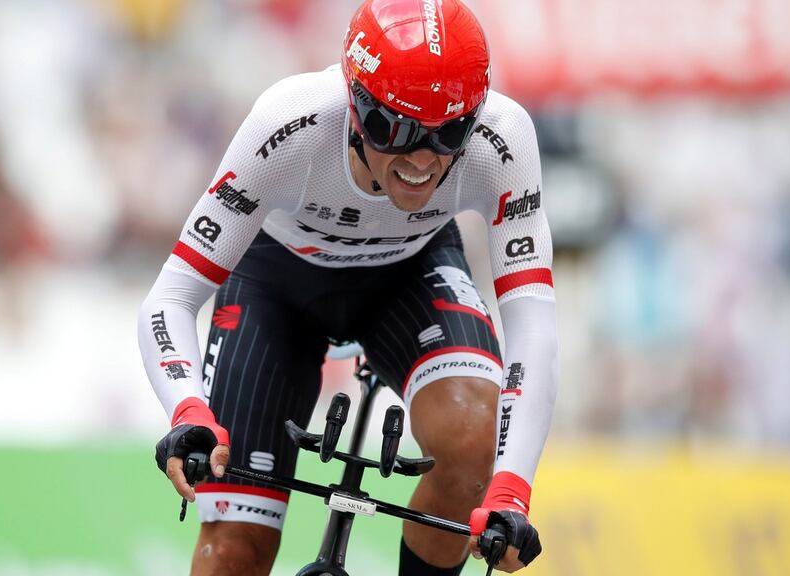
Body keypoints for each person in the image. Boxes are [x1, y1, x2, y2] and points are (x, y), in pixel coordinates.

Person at [138, 0, 558, 573]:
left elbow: (533, 319)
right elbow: (172, 295)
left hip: (410, 269)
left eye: (449, 133)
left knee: (471, 440)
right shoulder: (289, 123)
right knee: (235, 549)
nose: (422, 160)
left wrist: (510, 487)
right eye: (396, 129)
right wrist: (187, 410)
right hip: (277, 283)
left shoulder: (502, 139)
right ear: (356, 108)